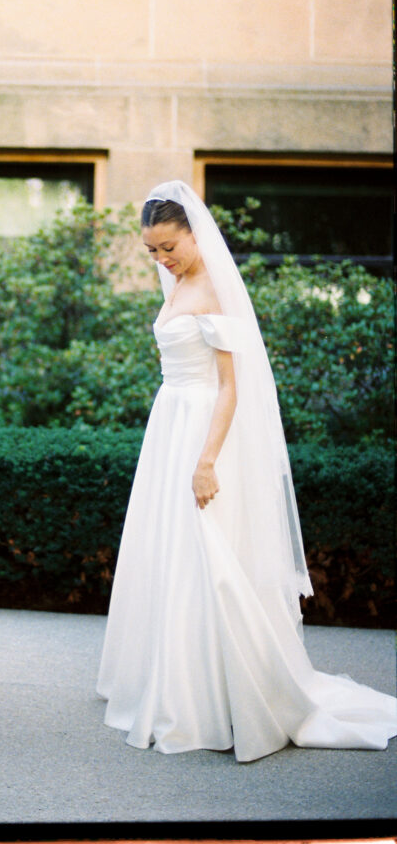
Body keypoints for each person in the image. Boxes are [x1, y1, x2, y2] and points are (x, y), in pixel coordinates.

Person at [97, 179, 397, 762]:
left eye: (168, 247)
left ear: (193, 234)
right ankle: (175, 679)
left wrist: (206, 461)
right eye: (151, 251)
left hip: (207, 431)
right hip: (172, 423)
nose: (161, 259)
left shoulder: (213, 289)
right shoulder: (178, 280)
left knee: (210, 556)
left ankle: (222, 697)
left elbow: (233, 388)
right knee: (172, 552)